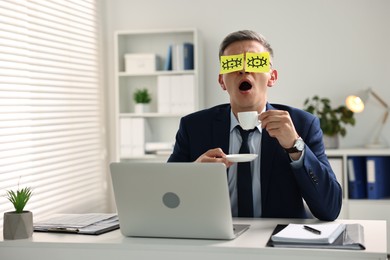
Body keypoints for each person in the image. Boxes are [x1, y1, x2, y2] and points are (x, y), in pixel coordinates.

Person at [167, 30, 342, 221]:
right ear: (221, 81)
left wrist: (295, 146)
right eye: (233, 64)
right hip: (213, 239)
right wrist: (192, 173)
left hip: (275, 242)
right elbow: (165, 197)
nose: (244, 70)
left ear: (272, 77)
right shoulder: (193, 127)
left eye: (255, 63)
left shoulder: (303, 125)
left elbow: (330, 209)